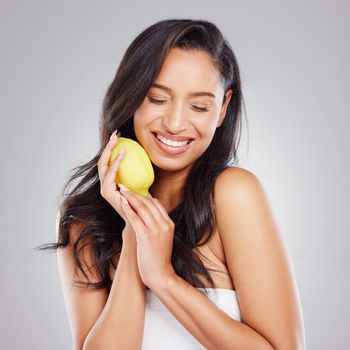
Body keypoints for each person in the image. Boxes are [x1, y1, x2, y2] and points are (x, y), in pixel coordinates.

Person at [37, 18, 306, 349]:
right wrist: (135, 232)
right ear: (131, 95)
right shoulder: (82, 221)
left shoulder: (232, 195)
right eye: (157, 99)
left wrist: (162, 278)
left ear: (223, 108)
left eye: (199, 105)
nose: (176, 123)